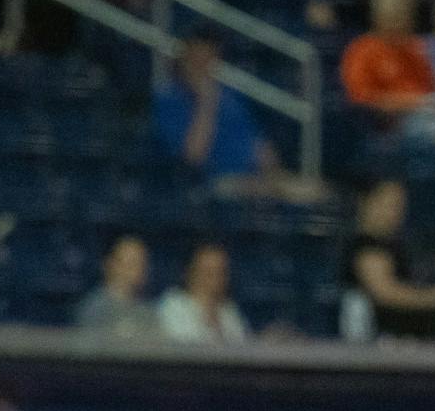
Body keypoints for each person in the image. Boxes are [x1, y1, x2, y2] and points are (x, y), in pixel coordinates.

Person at [152, 33, 288, 194]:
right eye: (196, 61)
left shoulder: (230, 98)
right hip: (207, 185)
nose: (201, 68)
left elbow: (261, 148)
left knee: (312, 189)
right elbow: (192, 159)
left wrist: (276, 176)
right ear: (183, 62)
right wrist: (206, 103)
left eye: (207, 60)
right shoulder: (169, 99)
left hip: (252, 180)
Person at [342, 177, 435, 340]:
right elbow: (385, 292)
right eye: (387, 204)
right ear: (364, 202)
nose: (393, 214)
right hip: (379, 345)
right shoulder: (365, 247)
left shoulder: (395, 246)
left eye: (399, 207)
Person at [339, 0, 435, 125]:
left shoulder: (415, 48)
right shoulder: (362, 50)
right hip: (389, 125)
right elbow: (361, 99)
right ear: (378, 18)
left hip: (425, 116)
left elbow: (428, 89)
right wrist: (408, 104)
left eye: (406, 15)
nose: (403, 22)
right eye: (396, 16)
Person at [157, 243, 249, 343]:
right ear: (189, 273)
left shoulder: (229, 309)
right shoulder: (174, 305)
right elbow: (186, 350)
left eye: (221, 272)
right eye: (208, 272)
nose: (216, 279)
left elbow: (242, 346)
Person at [76, 234, 160, 336]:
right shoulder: (94, 309)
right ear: (110, 264)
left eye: (142, 263)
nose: (138, 269)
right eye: (131, 263)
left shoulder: (148, 311)